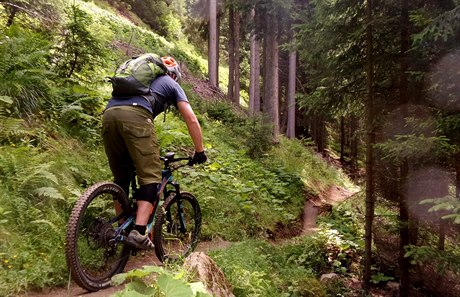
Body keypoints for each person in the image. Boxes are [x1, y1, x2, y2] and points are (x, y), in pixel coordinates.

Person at [102, 56, 207, 250]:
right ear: (174, 75)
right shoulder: (171, 84)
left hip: (109, 115)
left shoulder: (139, 84)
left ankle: (120, 233)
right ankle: (139, 232)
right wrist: (199, 151)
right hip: (135, 117)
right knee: (151, 178)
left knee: (121, 180)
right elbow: (191, 119)